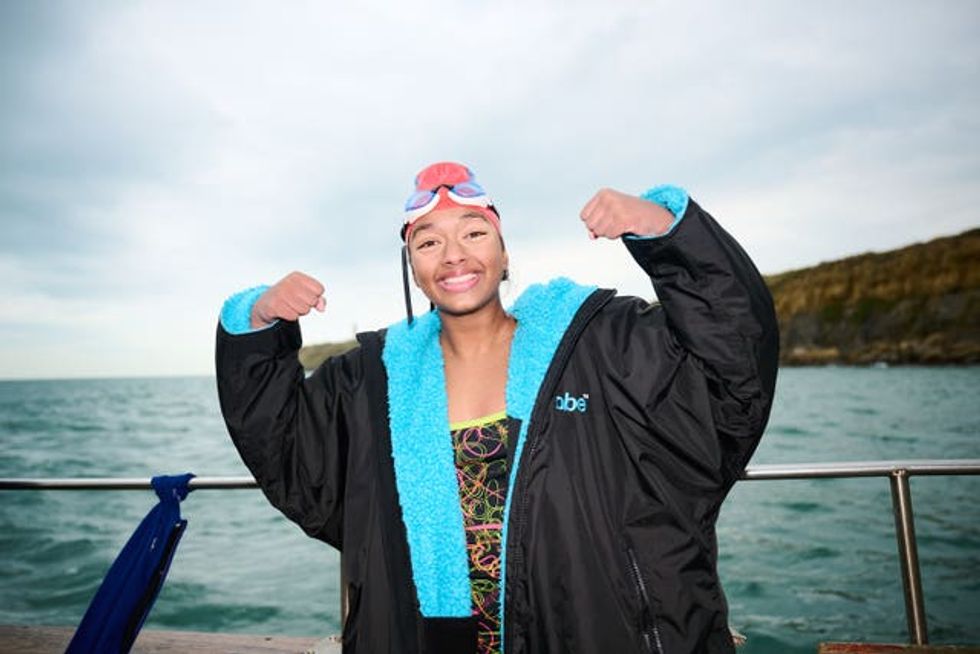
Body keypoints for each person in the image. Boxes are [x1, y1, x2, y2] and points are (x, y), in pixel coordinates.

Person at [215, 162, 779, 654]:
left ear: (504, 252)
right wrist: (259, 322)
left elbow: (731, 367)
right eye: (428, 242)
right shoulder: (368, 381)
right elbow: (284, 449)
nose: (453, 254)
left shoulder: (598, 343)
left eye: (474, 231)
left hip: (589, 629)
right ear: (412, 265)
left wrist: (665, 230)